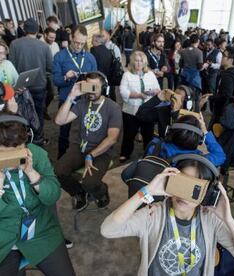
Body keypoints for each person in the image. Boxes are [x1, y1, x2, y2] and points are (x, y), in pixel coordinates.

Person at [0, 113, 75, 276]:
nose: (12, 158)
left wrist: (32, 173)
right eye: (3, 152)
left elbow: (53, 196)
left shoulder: (37, 154)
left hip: (40, 231)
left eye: (18, 150)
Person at [101, 156, 234, 276]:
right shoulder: (153, 214)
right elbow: (108, 230)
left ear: (207, 194)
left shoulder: (211, 220)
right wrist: (145, 192)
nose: (184, 196)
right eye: (181, 183)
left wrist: (229, 220)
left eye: (195, 189)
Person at [55, 72, 122, 210]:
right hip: (80, 148)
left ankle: (102, 190)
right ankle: (79, 193)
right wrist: (71, 96)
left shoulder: (113, 107)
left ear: (103, 88)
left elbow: (112, 138)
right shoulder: (81, 104)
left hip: (101, 152)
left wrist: (91, 155)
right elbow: (59, 120)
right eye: (88, 86)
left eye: (95, 87)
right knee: (59, 171)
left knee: (89, 183)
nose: (91, 90)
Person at [53, 25, 98, 158]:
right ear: (71, 38)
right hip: (67, 99)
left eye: (82, 43)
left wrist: (90, 85)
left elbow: (97, 82)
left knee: (87, 130)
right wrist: (66, 77)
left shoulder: (90, 57)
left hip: (86, 100)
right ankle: (61, 157)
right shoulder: (60, 56)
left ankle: (85, 157)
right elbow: (56, 81)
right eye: (76, 42)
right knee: (64, 131)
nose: (79, 46)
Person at [9, 18, 53, 146]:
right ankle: (38, 139)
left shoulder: (14, 44)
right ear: (38, 30)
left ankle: (24, 140)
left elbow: (11, 65)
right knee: (38, 114)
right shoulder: (44, 46)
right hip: (39, 85)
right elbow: (50, 67)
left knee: (21, 114)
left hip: (21, 87)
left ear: (24, 29)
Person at [119, 51, 160, 162]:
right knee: (129, 134)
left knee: (148, 134)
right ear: (132, 62)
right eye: (136, 61)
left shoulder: (150, 74)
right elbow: (123, 92)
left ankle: (148, 154)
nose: (138, 63)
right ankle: (125, 153)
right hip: (131, 111)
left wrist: (153, 92)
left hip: (148, 111)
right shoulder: (127, 75)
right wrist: (139, 95)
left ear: (144, 62)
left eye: (141, 61)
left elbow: (158, 89)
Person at [210, 46, 234, 126]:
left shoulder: (227, 76)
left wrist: (211, 97)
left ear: (231, 60)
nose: (221, 57)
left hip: (221, 113)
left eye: (224, 56)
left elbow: (226, 96)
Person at [179, 35, 204, 99]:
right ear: (198, 41)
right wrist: (205, 66)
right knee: (194, 96)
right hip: (194, 77)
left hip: (184, 75)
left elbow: (180, 65)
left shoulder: (183, 51)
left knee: (185, 94)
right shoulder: (199, 52)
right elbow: (199, 67)